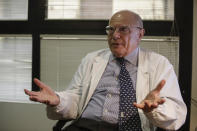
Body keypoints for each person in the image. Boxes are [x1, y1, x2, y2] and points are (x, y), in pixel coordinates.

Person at [24, 10, 187, 131]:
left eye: (123, 29)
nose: (114, 35)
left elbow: (177, 114)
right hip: (86, 127)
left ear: (140, 34)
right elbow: (77, 100)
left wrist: (155, 108)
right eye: (111, 29)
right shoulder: (92, 59)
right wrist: (59, 100)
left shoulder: (159, 64)